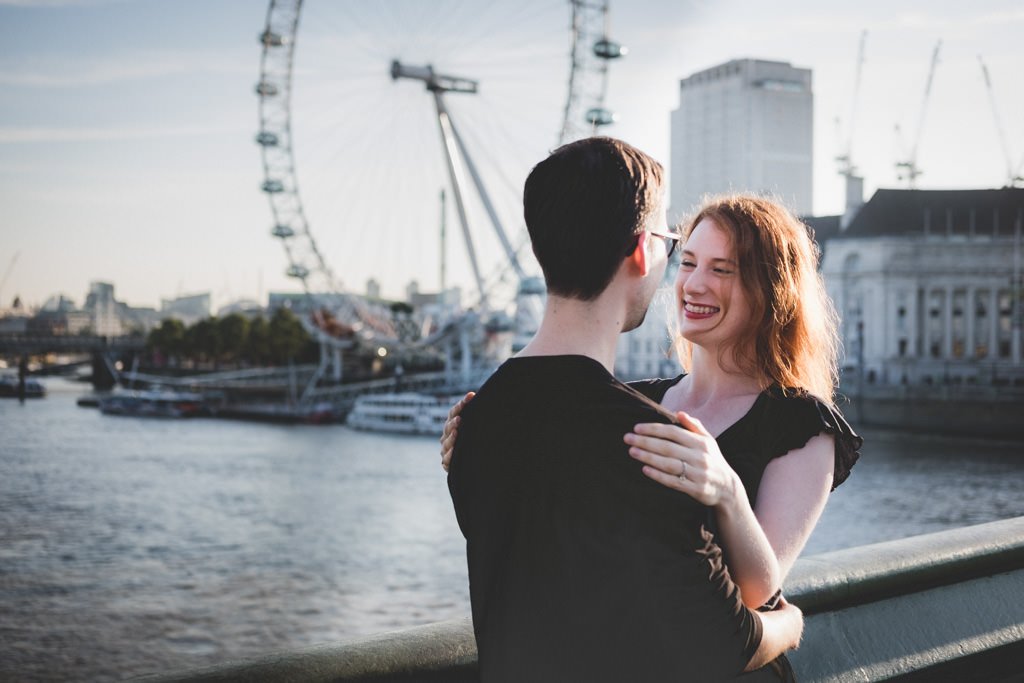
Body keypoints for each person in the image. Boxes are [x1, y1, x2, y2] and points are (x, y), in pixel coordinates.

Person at [446, 137, 803, 682]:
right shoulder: (656, 445)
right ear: (641, 250)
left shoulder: (475, 421)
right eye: (670, 242)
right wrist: (791, 622)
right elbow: (725, 642)